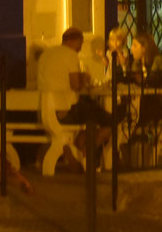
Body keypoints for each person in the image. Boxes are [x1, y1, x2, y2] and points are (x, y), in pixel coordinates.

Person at [39, 26, 118, 170]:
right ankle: (86, 152)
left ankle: (79, 153)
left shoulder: (46, 54)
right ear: (74, 41)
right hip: (65, 111)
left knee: (89, 116)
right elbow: (76, 86)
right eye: (81, 44)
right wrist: (84, 77)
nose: (80, 48)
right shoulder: (70, 55)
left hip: (44, 112)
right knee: (110, 120)